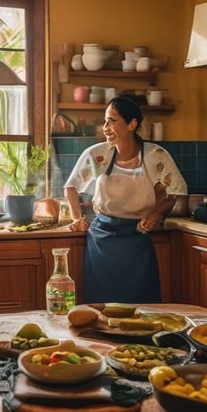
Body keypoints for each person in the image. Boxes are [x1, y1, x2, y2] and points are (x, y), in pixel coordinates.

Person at [64, 97, 186, 304]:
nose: (105, 127)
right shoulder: (97, 154)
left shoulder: (156, 155)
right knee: (100, 307)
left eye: (112, 121)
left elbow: (175, 192)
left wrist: (155, 214)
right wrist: (77, 218)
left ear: (132, 124)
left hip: (138, 236)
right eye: (105, 121)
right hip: (103, 238)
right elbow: (71, 186)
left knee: (142, 306)